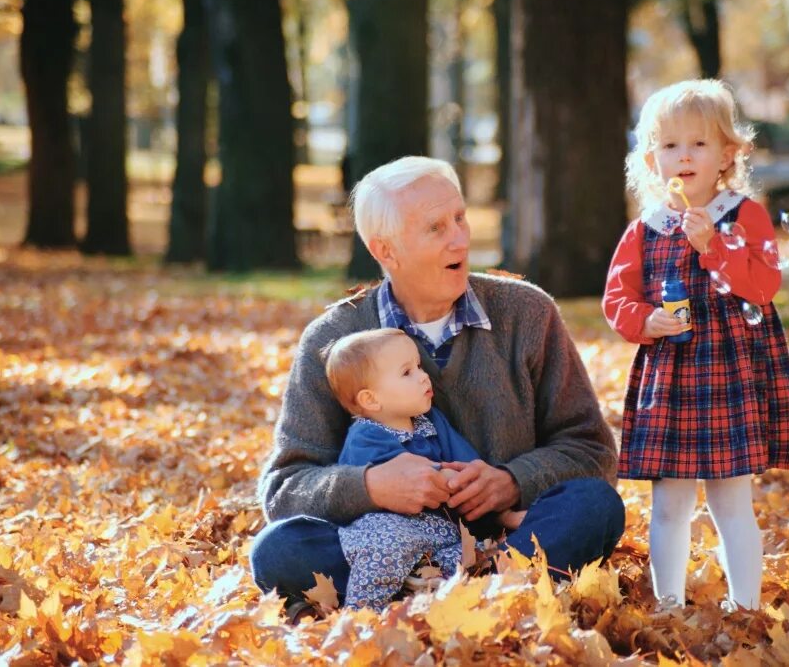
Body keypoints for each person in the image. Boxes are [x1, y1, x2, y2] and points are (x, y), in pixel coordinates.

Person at [251, 155, 625, 610]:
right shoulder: (332, 340)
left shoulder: (528, 313)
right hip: (385, 549)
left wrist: (512, 480)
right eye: (436, 228)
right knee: (278, 549)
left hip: (513, 541)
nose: (461, 239)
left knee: (594, 505)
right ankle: (444, 596)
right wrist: (370, 486)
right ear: (384, 250)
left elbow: (592, 449)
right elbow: (286, 487)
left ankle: (483, 593)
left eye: (461, 218)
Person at [602, 79, 789, 610]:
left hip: (728, 371)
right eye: (670, 146)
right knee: (669, 501)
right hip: (670, 375)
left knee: (730, 499)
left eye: (698, 143)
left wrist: (712, 247)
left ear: (726, 156)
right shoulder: (644, 229)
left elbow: (762, 287)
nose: (684, 156)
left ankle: (746, 608)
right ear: (652, 160)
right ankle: (668, 605)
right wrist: (647, 321)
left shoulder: (745, 216)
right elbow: (616, 298)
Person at [324, 327, 525, 610]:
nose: (423, 376)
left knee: (474, 549)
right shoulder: (366, 436)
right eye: (407, 373)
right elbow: (402, 478)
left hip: (438, 531)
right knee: (387, 546)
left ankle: (425, 585)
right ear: (370, 399)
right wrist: (443, 477)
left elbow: (467, 465)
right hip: (387, 527)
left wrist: (492, 502)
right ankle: (363, 612)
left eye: (419, 366)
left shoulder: (431, 422)